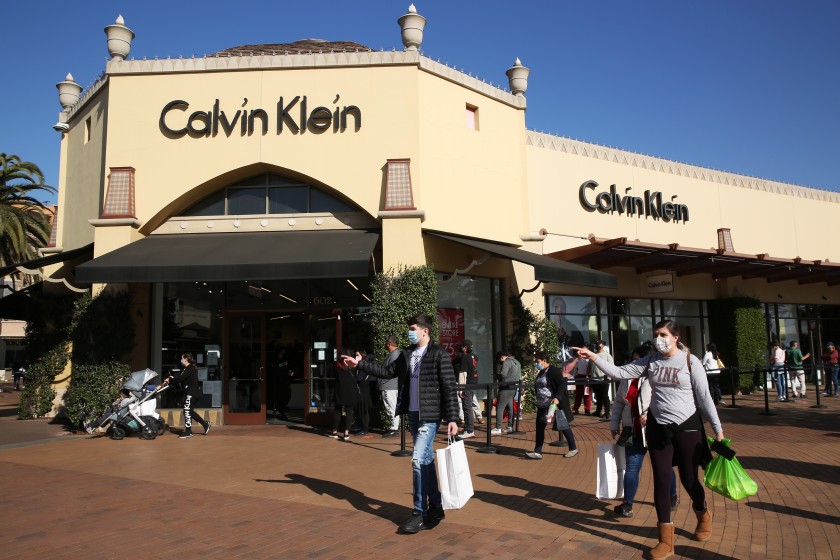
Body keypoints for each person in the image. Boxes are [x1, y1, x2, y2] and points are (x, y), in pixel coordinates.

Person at [575, 320, 724, 560]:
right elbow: (621, 372)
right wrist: (594, 357)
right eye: (656, 335)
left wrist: (717, 429)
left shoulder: (690, 361)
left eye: (663, 334)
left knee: (688, 478)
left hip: (687, 428)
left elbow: (705, 397)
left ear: (675, 337)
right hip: (658, 428)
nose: (659, 339)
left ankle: (702, 512)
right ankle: (666, 540)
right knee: (662, 481)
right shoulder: (651, 361)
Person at [342, 314, 459, 534]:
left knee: (416, 460)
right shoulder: (407, 354)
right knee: (424, 461)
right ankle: (436, 506)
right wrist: (359, 364)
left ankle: (418, 512)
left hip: (429, 416)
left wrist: (452, 417)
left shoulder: (438, 354)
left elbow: (449, 388)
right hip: (413, 415)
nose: (410, 331)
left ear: (425, 331)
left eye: (413, 328)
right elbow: (386, 372)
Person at [611, 344, 678, 518]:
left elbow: (668, 401)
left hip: (656, 429)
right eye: (633, 359)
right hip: (633, 430)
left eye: (637, 360)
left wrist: (650, 414)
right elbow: (619, 401)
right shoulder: (627, 378)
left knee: (663, 466)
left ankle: (672, 496)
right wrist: (614, 423)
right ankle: (628, 504)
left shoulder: (658, 376)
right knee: (632, 467)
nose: (634, 363)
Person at [525, 352, 578, 460]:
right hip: (542, 405)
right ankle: (537, 451)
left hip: (552, 405)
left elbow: (562, 384)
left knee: (562, 425)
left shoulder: (553, 370)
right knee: (540, 427)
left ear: (544, 361)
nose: (536, 363)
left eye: (538, 361)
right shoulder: (541, 372)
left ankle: (573, 448)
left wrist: (557, 398)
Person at [164, 353, 210, 439]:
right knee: (189, 411)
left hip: (192, 393)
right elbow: (182, 379)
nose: (181, 360)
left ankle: (188, 431)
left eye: (182, 358)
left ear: (185, 359)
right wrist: (172, 379)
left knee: (187, 410)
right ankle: (205, 424)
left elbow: (181, 379)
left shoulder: (190, 368)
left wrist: (170, 380)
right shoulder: (186, 369)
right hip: (191, 392)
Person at [491, 349, 521, 435]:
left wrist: (497, 376)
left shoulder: (507, 362)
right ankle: (510, 427)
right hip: (514, 387)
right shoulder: (517, 362)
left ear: (502, 357)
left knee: (500, 407)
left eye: (500, 360)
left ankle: (498, 427)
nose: (500, 362)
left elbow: (503, 374)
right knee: (510, 408)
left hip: (505, 387)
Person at [330, 353, 358, 442]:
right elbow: (357, 362)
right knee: (349, 412)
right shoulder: (352, 369)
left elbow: (334, 366)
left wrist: (342, 358)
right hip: (350, 393)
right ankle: (346, 433)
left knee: (337, 411)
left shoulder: (338, 369)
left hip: (340, 393)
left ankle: (334, 431)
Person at [455, 340, 478, 439]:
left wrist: (461, 389)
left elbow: (463, 374)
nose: (461, 349)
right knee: (468, 407)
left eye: (462, 347)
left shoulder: (465, 357)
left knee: (467, 407)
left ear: (465, 348)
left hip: (467, 384)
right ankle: (468, 428)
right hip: (473, 383)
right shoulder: (473, 357)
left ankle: (469, 430)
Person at [379, 336, 401, 437]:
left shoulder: (395, 355)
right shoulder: (394, 354)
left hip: (390, 386)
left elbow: (391, 372)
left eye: (387, 343)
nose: (386, 345)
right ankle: (393, 428)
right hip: (389, 385)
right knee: (390, 407)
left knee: (392, 407)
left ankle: (394, 429)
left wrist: (383, 381)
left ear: (390, 344)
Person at [589, 340, 613, 421]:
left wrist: (609, 376)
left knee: (605, 396)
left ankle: (607, 413)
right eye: (596, 344)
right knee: (598, 396)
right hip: (594, 378)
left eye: (598, 344)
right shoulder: (594, 354)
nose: (597, 345)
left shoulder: (607, 355)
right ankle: (598, 411)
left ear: (603, 345)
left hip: (603, 379)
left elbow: (611, 366)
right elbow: (590, 366)